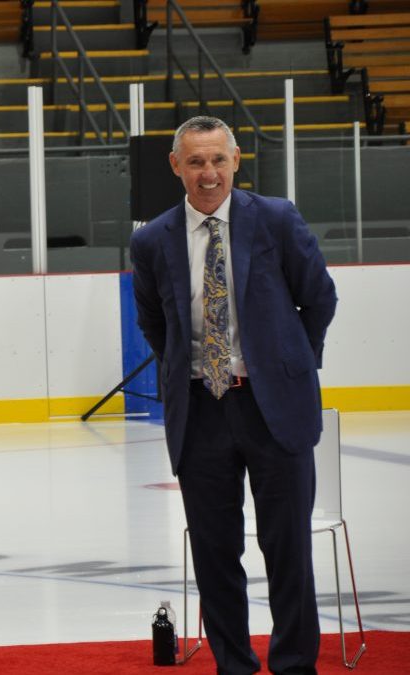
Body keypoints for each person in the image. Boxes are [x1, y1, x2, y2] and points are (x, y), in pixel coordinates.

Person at [130, 116, 337, 674]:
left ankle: (294, 664)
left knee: (289, 549)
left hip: (275, 411)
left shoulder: (275, 218)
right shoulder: (151, 241)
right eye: (195, 161)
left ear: (237, 160)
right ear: (176, 166)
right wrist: (195, 369)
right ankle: (235, 666)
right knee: (217, 556)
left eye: (218, 159)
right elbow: (157, 324)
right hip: (201, 412)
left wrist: (290, 363)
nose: (208, 173)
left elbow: (318, 298)